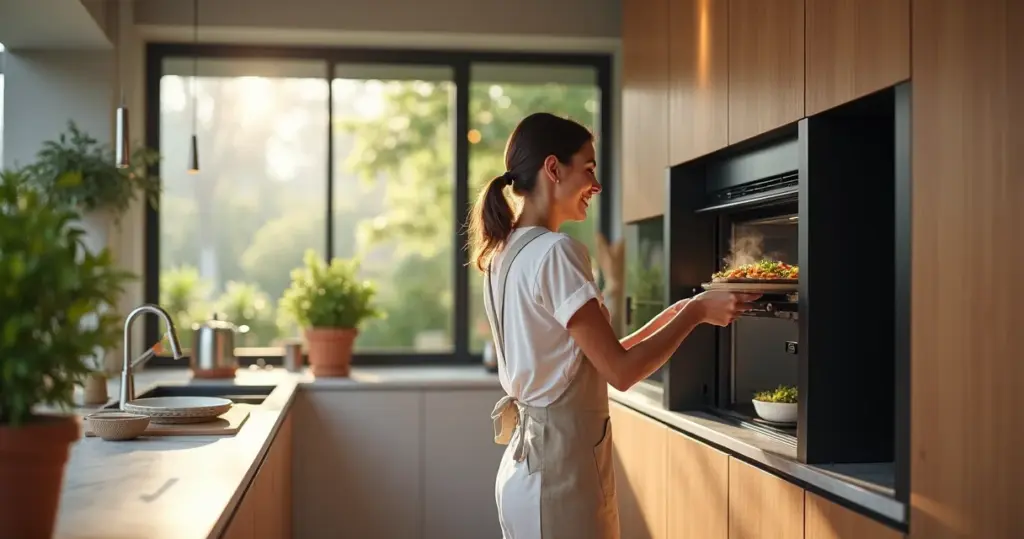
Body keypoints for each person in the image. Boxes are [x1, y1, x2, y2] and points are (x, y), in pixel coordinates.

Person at [468, 112, 758, 539]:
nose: (596, 185)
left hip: (525, 471)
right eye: (588, 169)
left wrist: (685, 308)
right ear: (553, 168)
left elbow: (589, 356)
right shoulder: (556, 251)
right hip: (559, 478)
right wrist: (697, 314)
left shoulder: (504, 254)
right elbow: (621, 373)